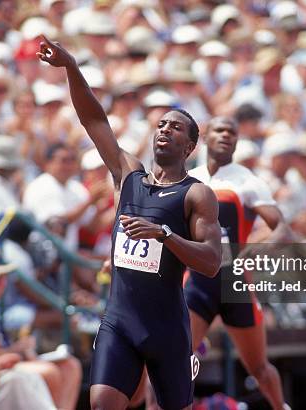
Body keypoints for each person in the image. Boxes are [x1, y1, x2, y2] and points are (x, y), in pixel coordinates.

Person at [38, 36, 222, 410]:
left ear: (189, 148)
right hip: (118, 322)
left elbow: (211, 261)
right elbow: (94, 120)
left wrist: (165, 235)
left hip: (167, 330)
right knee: (102, 403)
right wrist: (72, 67)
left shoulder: (196, 194)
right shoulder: (128, 176)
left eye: (176, 128)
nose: (165, 129)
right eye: (162, 123)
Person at [186, 116, 287, 410]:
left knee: (259, 368)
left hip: (235, 283)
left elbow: (283, 230)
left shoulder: (249, 181)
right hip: (197, 282)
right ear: (205, 137)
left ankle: (280, 407)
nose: (226, 135)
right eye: (219, 130)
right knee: (177, 360)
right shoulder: (188, 179)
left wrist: (260, 248)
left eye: (232, 132)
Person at [0, 259, 83, 410]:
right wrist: (16, 349)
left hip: (9, 362)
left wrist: (20, 349)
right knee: (48, 372)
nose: (2, 284)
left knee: (70, 366)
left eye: (4, 279)